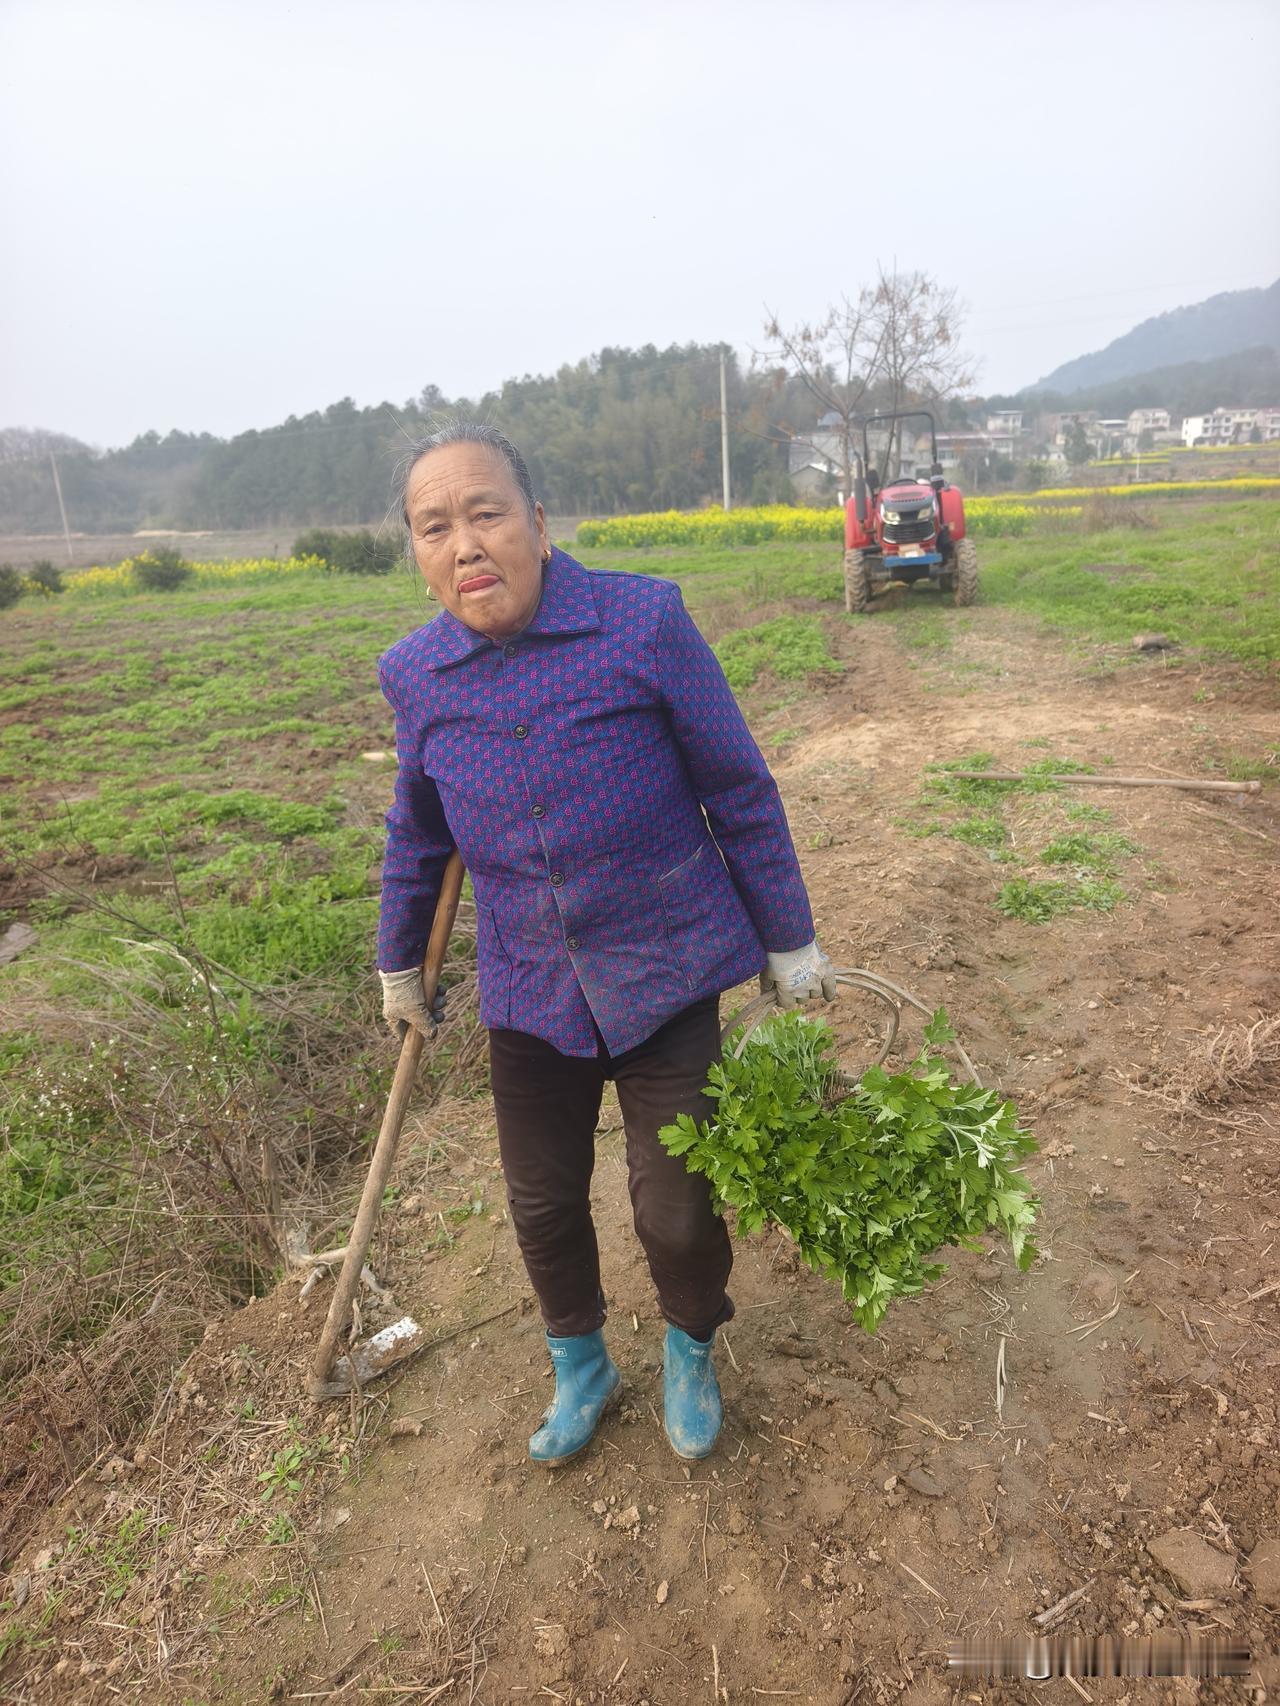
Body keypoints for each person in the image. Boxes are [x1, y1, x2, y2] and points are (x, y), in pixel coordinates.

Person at [375, 421, 834, 1466]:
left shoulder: (640, 620)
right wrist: (401, 961)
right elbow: (418, 833)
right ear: (416, 553)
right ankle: (580, 1364)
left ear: (537, 523)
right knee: (540, 1203)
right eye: (433, 526)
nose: (463, 544)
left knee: (674, 1203)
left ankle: (688, 1347)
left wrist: (789, 939)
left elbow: (737, 786)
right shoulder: (418, 675)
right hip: (529, 985)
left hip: (665, 966)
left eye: (484, 512)